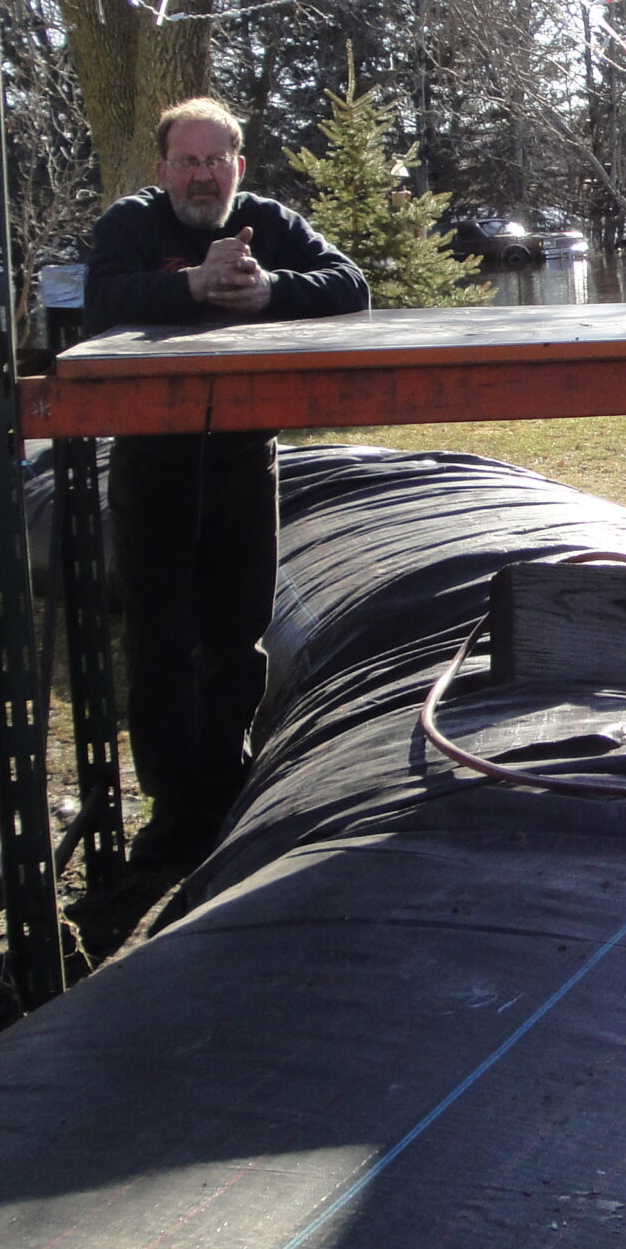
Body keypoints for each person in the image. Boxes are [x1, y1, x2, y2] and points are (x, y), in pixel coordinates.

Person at [85, 98, 370, 868]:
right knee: (160, 642)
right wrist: (190, 291)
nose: (203, 175)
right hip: (153, 464)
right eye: (188, 161)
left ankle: (229, 783)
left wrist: (270, 291)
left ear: (239, 166)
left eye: (217, 160)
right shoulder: (130, 225)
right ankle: (175, 810)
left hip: (246, 459)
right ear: (162, 170)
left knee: (239, 635)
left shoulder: (270, 222)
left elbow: (351, 285)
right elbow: (97, 301)